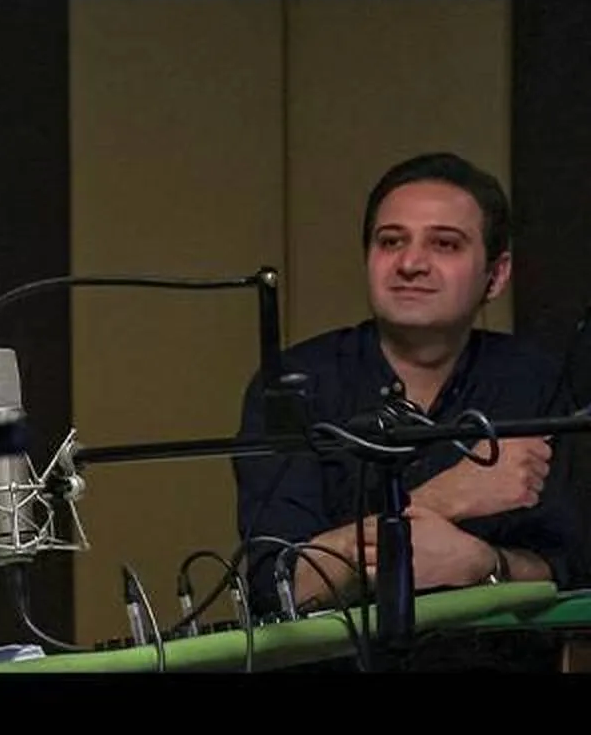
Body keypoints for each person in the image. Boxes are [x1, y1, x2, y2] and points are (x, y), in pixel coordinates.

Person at [231, 152, 580, 666]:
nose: (411, 263)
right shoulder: (294, 386)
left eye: (445, 244)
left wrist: (486, 564)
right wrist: (444, 498)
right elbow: (280, 586)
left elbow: (572, 571)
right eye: (391, 241)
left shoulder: (536, 382)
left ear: (496, 274)